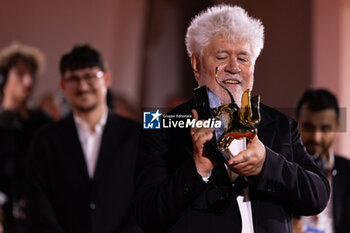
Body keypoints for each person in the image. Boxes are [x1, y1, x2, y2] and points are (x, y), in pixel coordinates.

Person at [135, 5, 330, 233]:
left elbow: (318, 196)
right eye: (222, 56)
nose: (234, 67)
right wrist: (198, 170)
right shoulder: (161, 127)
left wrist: (267, 164)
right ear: (196, 64)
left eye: (243, 58)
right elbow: (147, 215)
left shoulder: (281, 124)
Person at [26, 44, 142, 233]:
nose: (82, 86)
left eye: (90, 77)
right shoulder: (45, 140)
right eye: (73, 79)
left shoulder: (135, 135)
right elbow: (38, 204)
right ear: (63, 86)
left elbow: (146, 198)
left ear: (107, 79)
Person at [0, 43, 50, 233]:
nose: (28, 81)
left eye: (32, 75)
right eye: (20, 74)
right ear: (3, 78)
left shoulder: (43, 122)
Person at [293, 89, 350, 233]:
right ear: (296, 124)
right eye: (308, 127)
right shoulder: (279, 171)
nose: (316, 137)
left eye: (325, 128)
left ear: (337, 127)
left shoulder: (348, 172)